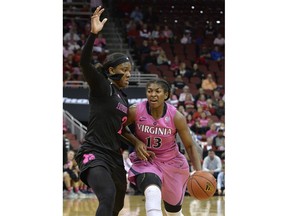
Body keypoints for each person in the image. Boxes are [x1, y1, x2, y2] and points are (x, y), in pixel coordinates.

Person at [74, 6, 133, 216]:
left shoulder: (124, 99)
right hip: (94, 151)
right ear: (111, 71)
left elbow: (124, 130)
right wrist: (93, 34)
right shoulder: (102, 87)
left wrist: (139, 143)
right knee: (106, 196)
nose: (128, 75)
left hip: (114, 156)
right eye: (124, 70)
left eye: (130, 71)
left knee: (116, 206)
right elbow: (84, 63)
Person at [122, 79, 202, 216]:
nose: (153, 94)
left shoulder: (176, 117)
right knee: (152, 191)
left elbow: (189, 145)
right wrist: (136, 142)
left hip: (172, 162)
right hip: (146, 160)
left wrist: (199, 171)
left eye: (157, 91)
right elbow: (119, 128)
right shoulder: (136, 110)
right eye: (149, 91)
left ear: (166, 95)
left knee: (173, 212)